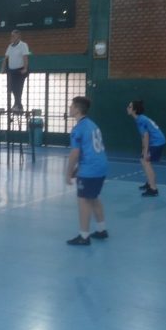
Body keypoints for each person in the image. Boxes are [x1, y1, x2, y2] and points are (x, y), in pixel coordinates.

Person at [65, 96, 108, 246]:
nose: (69, 108)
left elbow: (75, 153)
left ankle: (84, 236)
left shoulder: (78, 129)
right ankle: (102, 230)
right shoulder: (92, 125)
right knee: (94, 197)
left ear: (77, 109)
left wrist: (68, 173)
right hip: (101, 166)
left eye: (71, 106)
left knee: (84, 201)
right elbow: (90, 150)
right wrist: (77, 169)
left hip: (90, 170)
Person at [127, 100, 166, 197]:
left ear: (134, 110)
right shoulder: (140, 119)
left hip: (157, 142)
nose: (127, 108)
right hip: (156, 141)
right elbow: (143, 136)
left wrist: (145, 152)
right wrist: (143, 150)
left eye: (130, 107)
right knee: (143, 160)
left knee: (146, 162)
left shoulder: (141, 120)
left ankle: (153, 189)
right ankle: (149, 183)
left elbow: (146, 136)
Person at [1, 29, 29, 112]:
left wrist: (25, 68)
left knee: (18, 88)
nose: (11, 37)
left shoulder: (23, 45)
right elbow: (5, 58)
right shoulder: (10, 46)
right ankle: (18, 104)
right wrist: (2, 68)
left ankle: (18, 105)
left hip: (20, 70)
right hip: (11, 71)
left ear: (18, 36)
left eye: (13, 35)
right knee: (12, 88)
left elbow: (25, 57)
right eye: (11, 35)